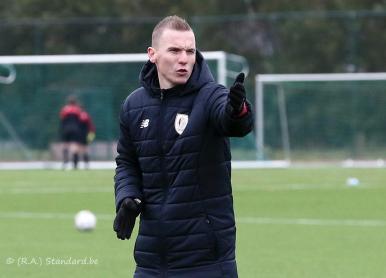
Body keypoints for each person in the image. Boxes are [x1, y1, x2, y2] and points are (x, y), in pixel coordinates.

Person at [113, 15, 253, 277]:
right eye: (175, 50)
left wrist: (238, 110)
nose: (184, 58)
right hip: (152, 259)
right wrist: (127, 198)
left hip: (206, 260)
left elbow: (234, 123)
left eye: (190, 51)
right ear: (153, 54)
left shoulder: (211, 95)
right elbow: (127, 162)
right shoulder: (134, 106)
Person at [59, 95, 83, 170]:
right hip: (75, 129)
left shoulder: (64, 109)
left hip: (66, 129)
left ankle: (65, 161)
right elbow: (80, 120)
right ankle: (75, 164)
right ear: (75, 102)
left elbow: (62, 119)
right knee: (74, 145)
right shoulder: (78, 109)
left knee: (65, 145)